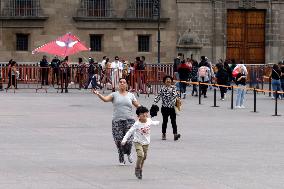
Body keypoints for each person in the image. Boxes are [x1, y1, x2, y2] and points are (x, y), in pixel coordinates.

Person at [92, 78, 141, 165]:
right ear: (118, 85)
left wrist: (142, 111)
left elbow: (137, 105)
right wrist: (98, 94)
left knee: (129, 141)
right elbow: (105, 99)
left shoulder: (131, 95)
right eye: (120, 82)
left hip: (129, 120)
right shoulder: (114, 95)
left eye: (124, 82)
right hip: (117, 121)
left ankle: (128, 152)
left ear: (126, 85)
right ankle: (121, 157)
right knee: (119, 140)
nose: (122, 84)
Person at [121, 106, 160, 179]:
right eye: (142, 114)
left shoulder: (148, 120)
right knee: (140, 155)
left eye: (146, 113)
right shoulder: (137, 124)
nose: (144, 115)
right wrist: (124, 139)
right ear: (138, 116)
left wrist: (159, 122)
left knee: (144, 157)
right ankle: (137, 168)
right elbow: (130, 132)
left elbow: (153, 123)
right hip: (138, 142)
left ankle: (140, 169)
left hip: (146, 143)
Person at [153, 75, 181, 141]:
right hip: (164, 107)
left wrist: (178, 101)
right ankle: (163, 134)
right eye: (167, 80)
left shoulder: (174, 88)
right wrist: (154, 102)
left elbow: (176, 96)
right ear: (164, 81)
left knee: (173, 121)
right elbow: (158, 96)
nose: (168, 80)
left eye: (169, 79)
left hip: (172, 107)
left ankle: (175, 134)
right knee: (165, 121)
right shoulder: (162, 89)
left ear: (171, 81)